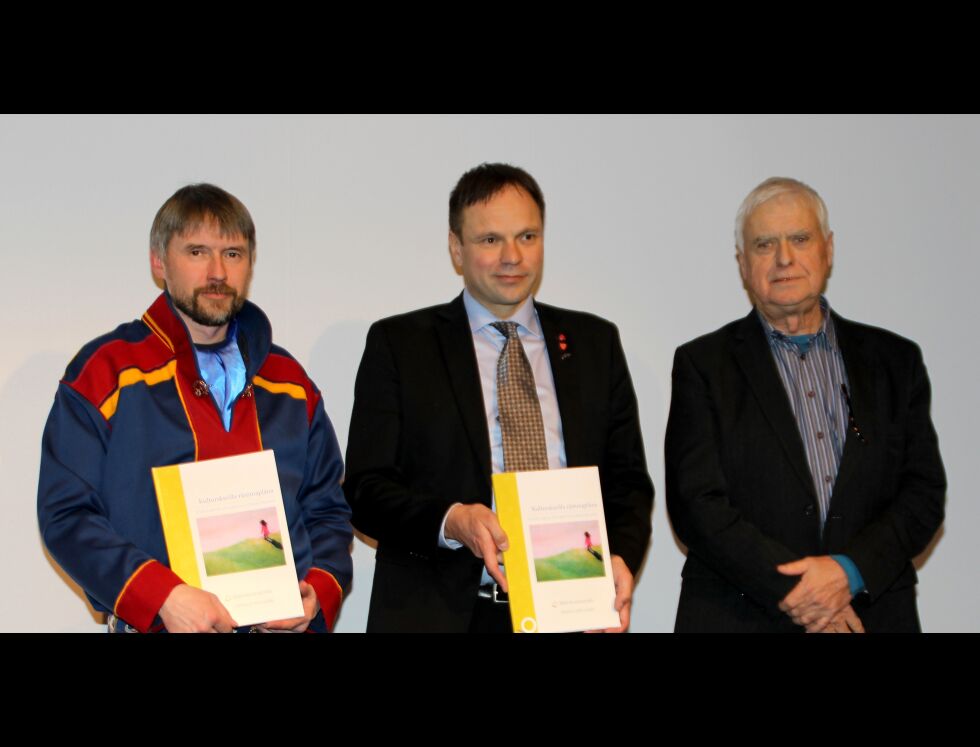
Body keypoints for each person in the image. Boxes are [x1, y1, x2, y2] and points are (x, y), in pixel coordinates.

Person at [344, 163, 654, 633]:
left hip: (572, 609)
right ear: (456, 248)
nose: (513, 256)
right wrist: (452, 521)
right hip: (441, 613)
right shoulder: (400, 344)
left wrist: (617, 557)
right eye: (491, 240)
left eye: (527, 237)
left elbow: (628, 483)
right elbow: (366, 490)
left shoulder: (595, 343)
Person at [38, 184, 353, 633]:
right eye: (197, 251)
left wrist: (316, 592)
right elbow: (66, 516)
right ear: (159, 261)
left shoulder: (290, 382)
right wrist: (162, 596)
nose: (217, 272)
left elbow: (328, 510)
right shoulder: (106, 373)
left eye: (233, 254)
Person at [665, 176, 946, 633]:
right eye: (764, 244)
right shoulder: (702, 365)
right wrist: (805, 593)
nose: (784, 258)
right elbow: (696, 505)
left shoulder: (895, 362)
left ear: (828, 250)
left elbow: (923, 494)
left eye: (799, 238)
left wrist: (848, 572)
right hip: (739, 615)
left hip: (871, 615)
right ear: (742, 264)